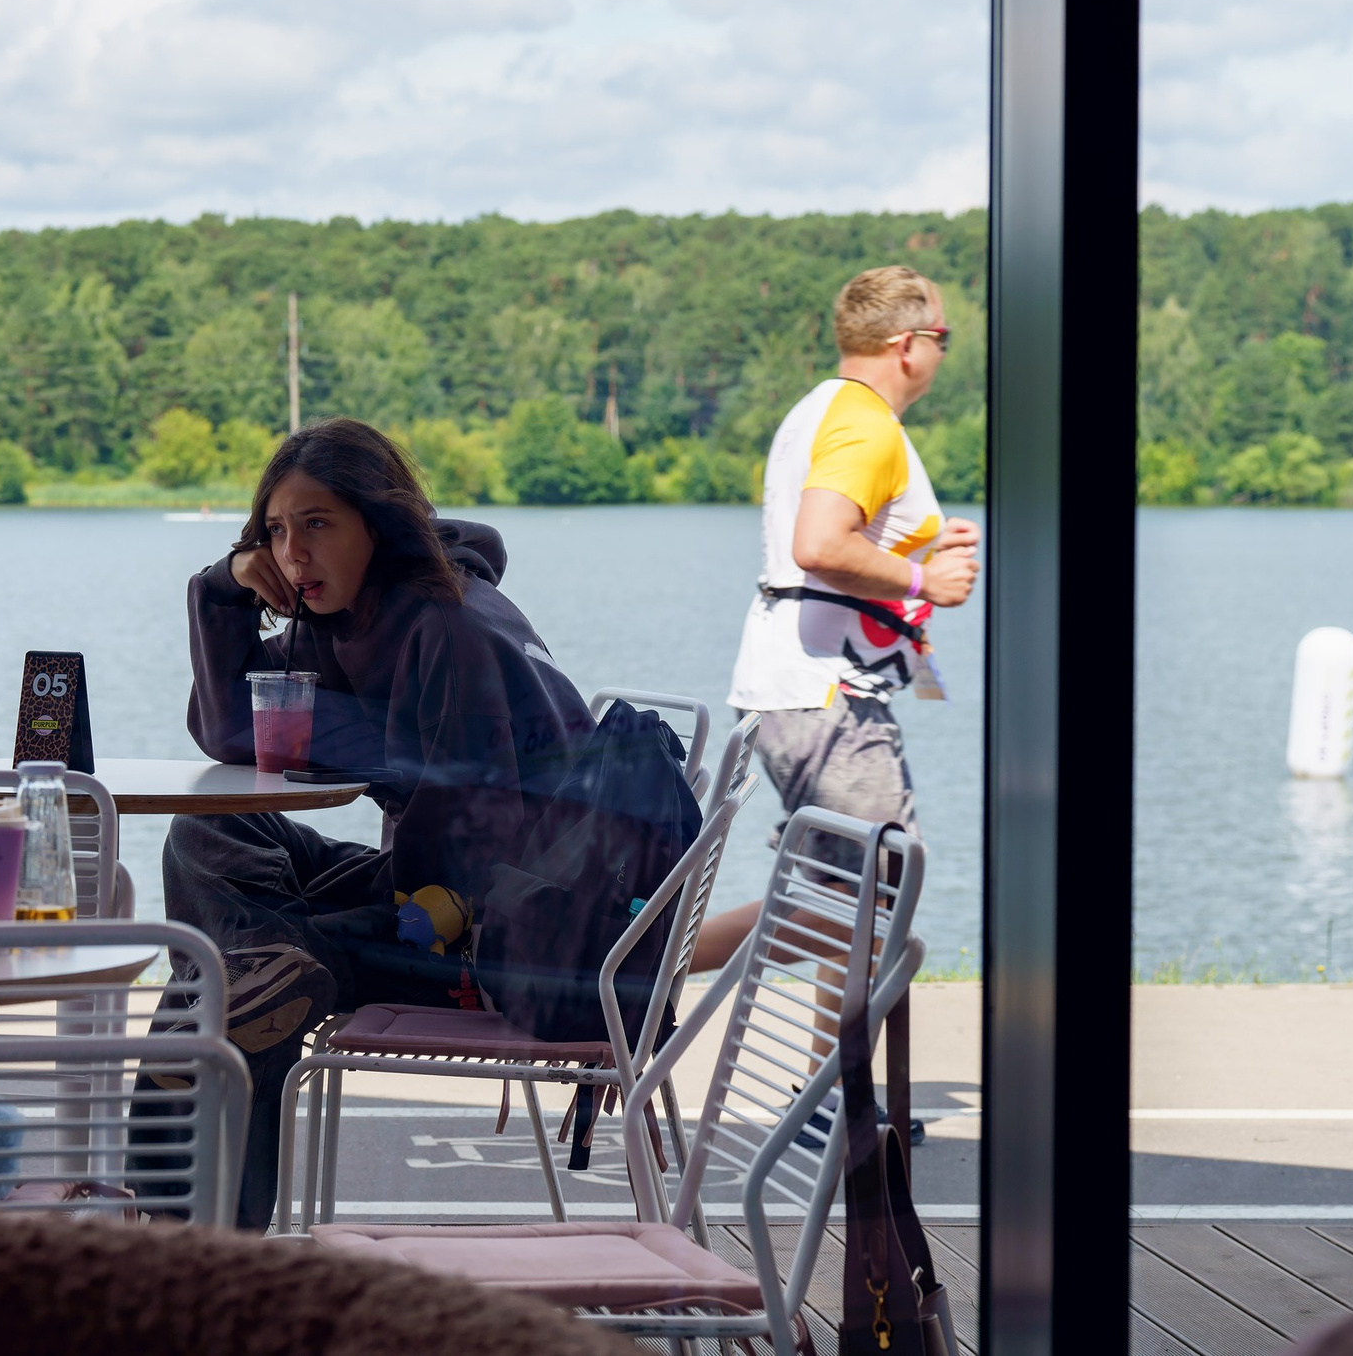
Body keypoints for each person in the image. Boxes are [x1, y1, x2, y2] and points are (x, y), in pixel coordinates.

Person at [162, 418, 595, 1228]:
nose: (293, 553)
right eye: (276, 531)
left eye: (317, 524)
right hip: (435, 884)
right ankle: (267, 974)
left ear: (378, 519)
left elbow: (479, 841)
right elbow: (242, 737)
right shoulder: (354, 616)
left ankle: (198, 1242)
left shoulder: (451, 626)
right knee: (207, 831)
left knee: (242, 981)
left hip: (508, 933)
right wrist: (220, 586)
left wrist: (313, 929)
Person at [694, 265, 979, 1010]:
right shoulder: (865, 423)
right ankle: (643, 961)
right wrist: (924, 583)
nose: (945, 353)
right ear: (908, 343)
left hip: (804, 685)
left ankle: (832, 1101)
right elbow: (820, 544)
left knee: (850, 897)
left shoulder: (827, 409)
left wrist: (917, 551)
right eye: (943, 337)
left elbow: (827, 545)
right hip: (825, 693)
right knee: (870, 897)